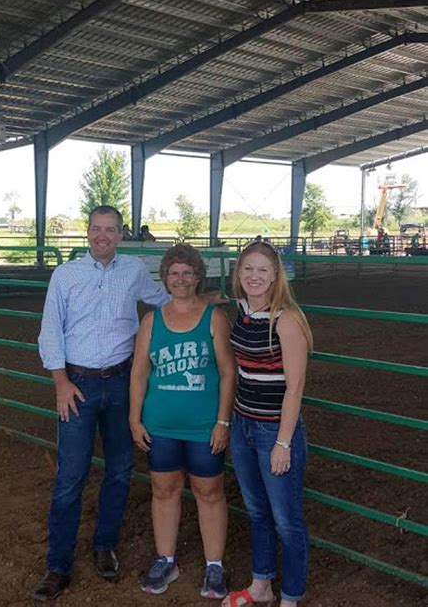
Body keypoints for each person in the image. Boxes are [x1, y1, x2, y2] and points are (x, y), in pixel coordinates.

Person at [34, 205, 171, 602]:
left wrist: (200, 303)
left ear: (121, 233)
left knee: (120, 470)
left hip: (122, 381)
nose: (103, 236)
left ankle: (104, 545)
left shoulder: (133, 271)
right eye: (97, 229)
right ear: (88, 231)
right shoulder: (66, 275)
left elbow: (162, 300)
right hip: (76, 384)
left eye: (111, 230)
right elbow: (50, 331)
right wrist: (60, 381)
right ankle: (58, 565)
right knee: (70, 477)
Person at [129, 244, 236, 599]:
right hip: (160, 424)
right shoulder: (152, 320)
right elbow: (140, 373)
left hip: (203, 426)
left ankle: (214, 566)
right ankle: (166, 559)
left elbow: (227, 372)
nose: (180, 279)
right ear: (165, 277)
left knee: (210, 491)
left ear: (198, 277)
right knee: (164, 490)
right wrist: (135, 417)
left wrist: (222, 422)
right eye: (174, 273)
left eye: (187, 273)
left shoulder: (213, 318)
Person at [222, 238, 313, 607]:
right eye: (248, 269)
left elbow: (296, 386)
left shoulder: (286, 319)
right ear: (238, 274)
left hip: (273, 430)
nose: (254, 276)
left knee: (286, 520)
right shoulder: (243, 311)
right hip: (243, 424)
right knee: (257, 510)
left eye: (263, 270)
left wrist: (284, 442)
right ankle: (262, 584)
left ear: (276, 276)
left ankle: (291, 596)